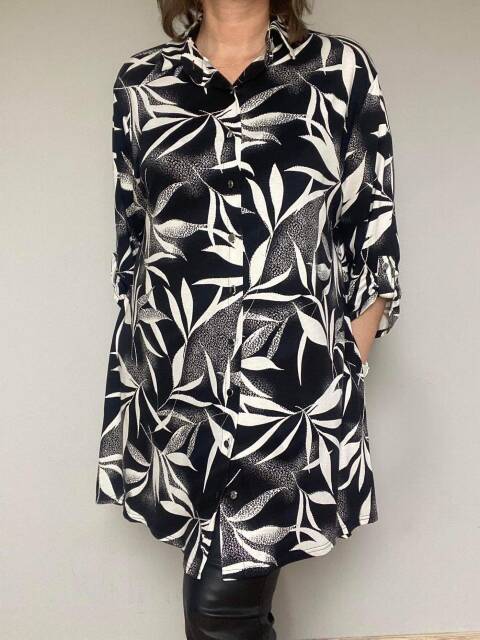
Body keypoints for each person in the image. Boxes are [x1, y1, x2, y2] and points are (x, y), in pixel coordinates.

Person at [95, 0, 402, 637]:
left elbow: (371, 229)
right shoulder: (142, 83)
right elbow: (135, 241)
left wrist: (348, 362)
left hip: (290, 391)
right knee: (236, 611)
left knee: (219, 613)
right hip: (178, 391)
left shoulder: (338, 70)